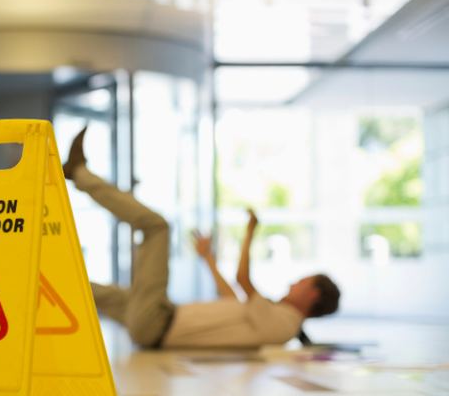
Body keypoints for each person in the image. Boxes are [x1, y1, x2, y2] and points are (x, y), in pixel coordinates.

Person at [63, 127, 340, 348]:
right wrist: (207, 258)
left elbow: (243, 281)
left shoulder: (284, 325)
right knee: (93, 291)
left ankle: (78, 173)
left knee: (157, 227)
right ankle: (32, 280)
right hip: (155, 320)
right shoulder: (276, 318)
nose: (293, 282)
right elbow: (231, 296)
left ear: (312, 295)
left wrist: (250, 231)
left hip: (157, 324)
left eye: (301, 282)